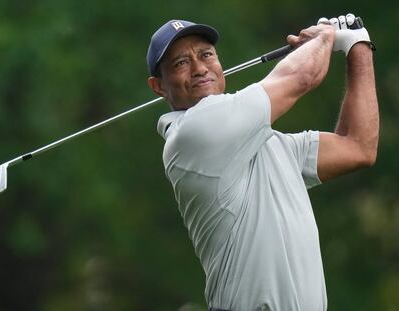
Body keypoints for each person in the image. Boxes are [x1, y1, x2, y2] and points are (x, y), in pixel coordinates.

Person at [146, 14, 378, 311]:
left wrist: (359, 46)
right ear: (158, 86)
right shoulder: (192, 134)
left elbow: (358, 147)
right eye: (181, 63)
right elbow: (301, 77)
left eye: (206, 55)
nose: (200, 68)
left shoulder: (269, 143)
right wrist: (325, 36)